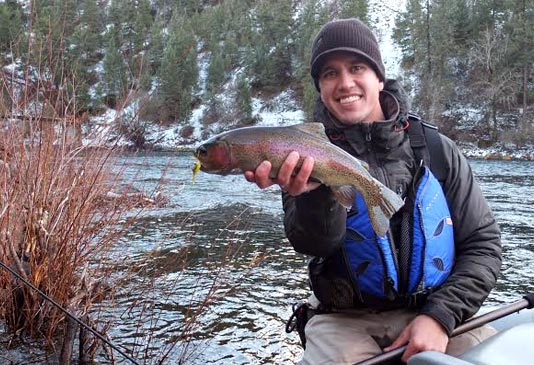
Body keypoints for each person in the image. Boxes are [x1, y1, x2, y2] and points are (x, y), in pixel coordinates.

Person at [244, 18, 502, 364]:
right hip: (343, 321)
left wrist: (440, 316)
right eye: (329, 73)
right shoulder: (299, 152)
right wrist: (313, 195)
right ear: (320, 87)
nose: (345, 82)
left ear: (379, 77)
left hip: (439, 307)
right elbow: (314, 246)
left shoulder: (438, 150)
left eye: (357, 67)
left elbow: (483, 244)